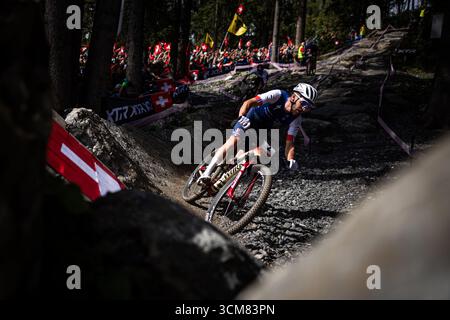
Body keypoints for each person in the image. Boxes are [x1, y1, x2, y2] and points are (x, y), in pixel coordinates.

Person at [198, 83, 318, 185]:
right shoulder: (278, 95)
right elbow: (249, 102)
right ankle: (207, 172)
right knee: (233, 141)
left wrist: (290, 159)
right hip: (250, 119)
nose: (304, 109)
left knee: (264, 153)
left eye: (308, 107)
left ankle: (229, 173)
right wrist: (241, 117)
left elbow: (290, 142)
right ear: (293, 98)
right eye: (303, 104)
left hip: (262, 130)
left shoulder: (296, 119)